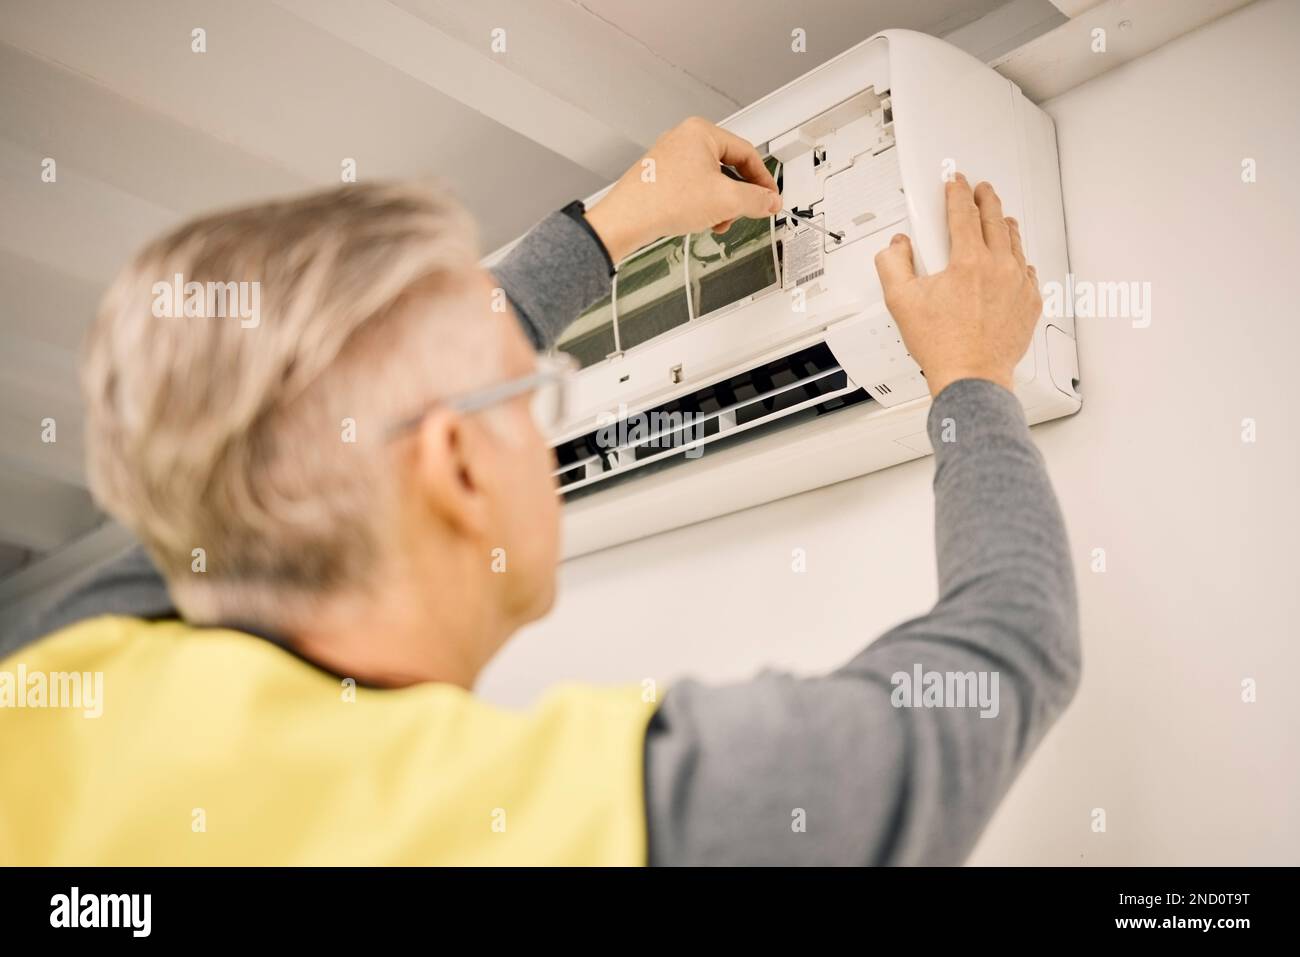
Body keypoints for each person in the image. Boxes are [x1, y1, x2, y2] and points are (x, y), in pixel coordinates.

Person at [0, 117, 1078, 865]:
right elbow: (1003, 659)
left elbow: (277, 458)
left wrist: (613, 226)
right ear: (460, 469)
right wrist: (974, 377)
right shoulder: (584, 822)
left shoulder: (60, 677)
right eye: (530, 397)